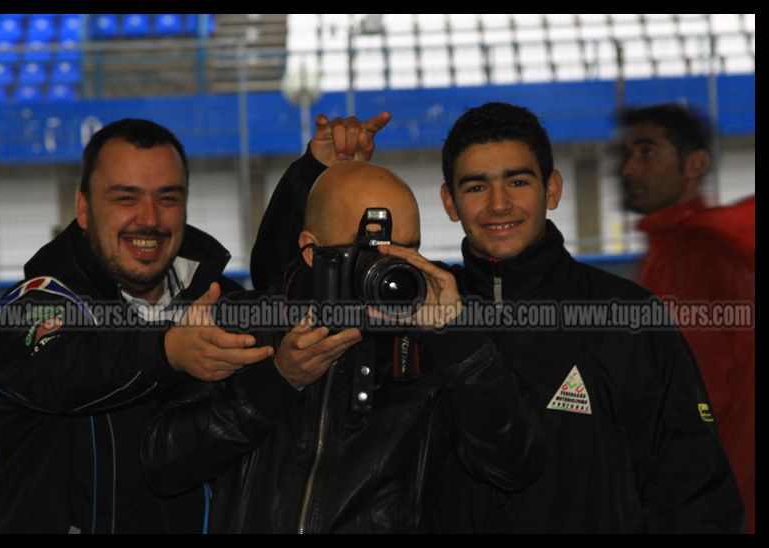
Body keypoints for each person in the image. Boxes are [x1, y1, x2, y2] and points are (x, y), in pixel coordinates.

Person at [252, 104, 745, 532]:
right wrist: (313, 173)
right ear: (450, 202)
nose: (499, 205)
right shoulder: (418, 308)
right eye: (476, 186)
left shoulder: (630, 318)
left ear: (551, 189)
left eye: (517, 181)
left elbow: (694, 488)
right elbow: (293, 283)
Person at [140, 160, 545, 533]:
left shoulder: (433, 344)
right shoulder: (244, 324)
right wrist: (276, 382)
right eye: (371, 253)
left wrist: (457, 338)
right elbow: (164, 465)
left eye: (408, 251)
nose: (391, 272)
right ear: (312, 251)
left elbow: (515, 466)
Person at [0, 118, 273, 533]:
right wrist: (167, 353)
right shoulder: (33, 304)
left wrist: (309, 177)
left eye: (167, 198)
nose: (149, 219)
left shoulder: (214, 298)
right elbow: (69, 367)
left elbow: (290, 297)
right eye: (126, 198)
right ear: (84, 208)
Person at [619, 103, 755, 532]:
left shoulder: (696, 252)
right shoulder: (679, 244)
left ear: (693, 164)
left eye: (646, 153)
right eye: (627, 154)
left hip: (711, 500)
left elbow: (698, 394)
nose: (627, 169)